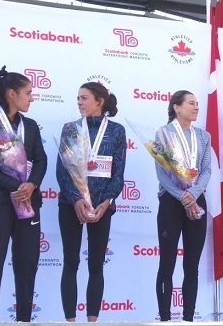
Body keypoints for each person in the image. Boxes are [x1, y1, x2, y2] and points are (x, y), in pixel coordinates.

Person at [0, 66, 47, 323]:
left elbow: (41, 159)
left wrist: (32, 184)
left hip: (29, 202)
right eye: (28, 92)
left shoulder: (31, 125)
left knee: (27, 265)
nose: (32, 98)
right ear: (12, 94)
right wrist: (15, 186)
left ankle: (24, 320)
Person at [56, 82, 126, 322]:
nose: (79, 102)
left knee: (96, 264)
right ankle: (70, 321)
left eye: (84, 98)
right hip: (71, 205)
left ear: (100, 101)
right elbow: (62, 171)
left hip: (101, 207)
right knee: (71, 261)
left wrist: (105, 202)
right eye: (78, 98)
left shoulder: (116, 131)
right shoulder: (70, 128)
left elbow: (118, 174)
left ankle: (92, 321)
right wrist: (76, 199)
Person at [155, 90, 211, 322]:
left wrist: (193, 194)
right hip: (171, 201)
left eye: (197, 103)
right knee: (167, 263)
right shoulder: (163, 133)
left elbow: (206, 170)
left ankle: (188, 319)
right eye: (191, 103)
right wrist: (182, 196)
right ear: (176, 108)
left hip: (197, 200)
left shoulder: (203, 136)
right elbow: (162, 174)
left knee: (192, 265)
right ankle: (165, 319)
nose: (196, 107)